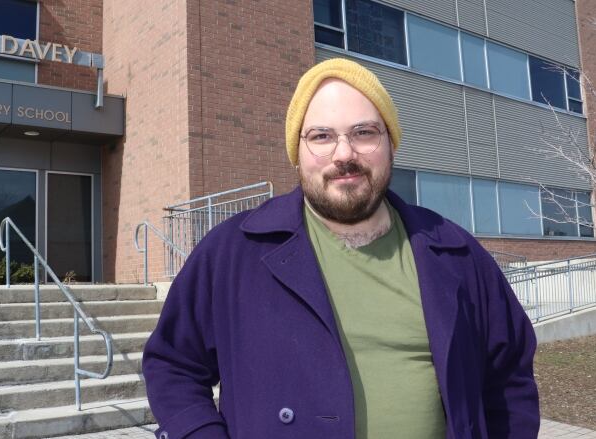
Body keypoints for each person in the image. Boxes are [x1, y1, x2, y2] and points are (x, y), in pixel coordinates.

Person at [142, 58, 539, 439]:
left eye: (364, 133)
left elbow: (509, 381)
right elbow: (173, 365)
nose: (344, 153)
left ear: (391, 145)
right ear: (297, 154)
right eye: (321, 136)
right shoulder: (232, 252)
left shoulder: (458, 255)